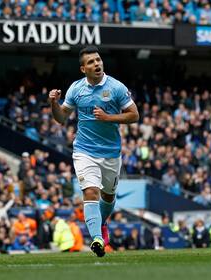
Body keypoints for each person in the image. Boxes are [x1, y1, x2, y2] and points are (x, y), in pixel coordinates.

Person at [48, 46, 139, 257]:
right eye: (91, 62)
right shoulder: (76, 89)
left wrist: (109, 118)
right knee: (90, 192)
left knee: (108, 196)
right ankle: (97, 239)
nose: (97, 64)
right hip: (84, 150)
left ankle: (102, 223)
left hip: (111, 152)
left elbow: (134, 115)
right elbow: (61, 118)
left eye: (98, 60)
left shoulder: (116, 87)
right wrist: (54, 103)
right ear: (83, 69)